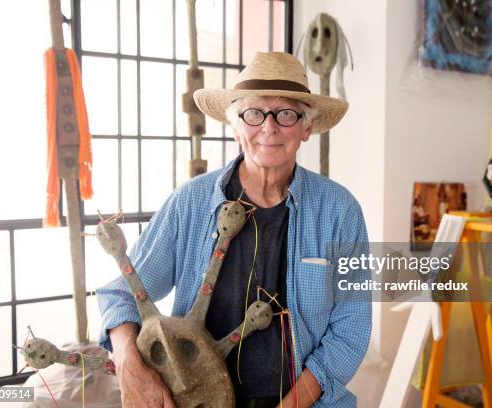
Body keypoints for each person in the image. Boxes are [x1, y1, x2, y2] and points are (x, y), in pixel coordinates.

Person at [96, 52, 371, 408]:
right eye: (254, 113)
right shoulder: (190, 203)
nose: (269, 128)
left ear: (306, 128)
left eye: (286, 114)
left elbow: (351, 329)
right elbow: (121, 294)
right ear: (235, 124)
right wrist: (129, 366)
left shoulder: (340, 211)